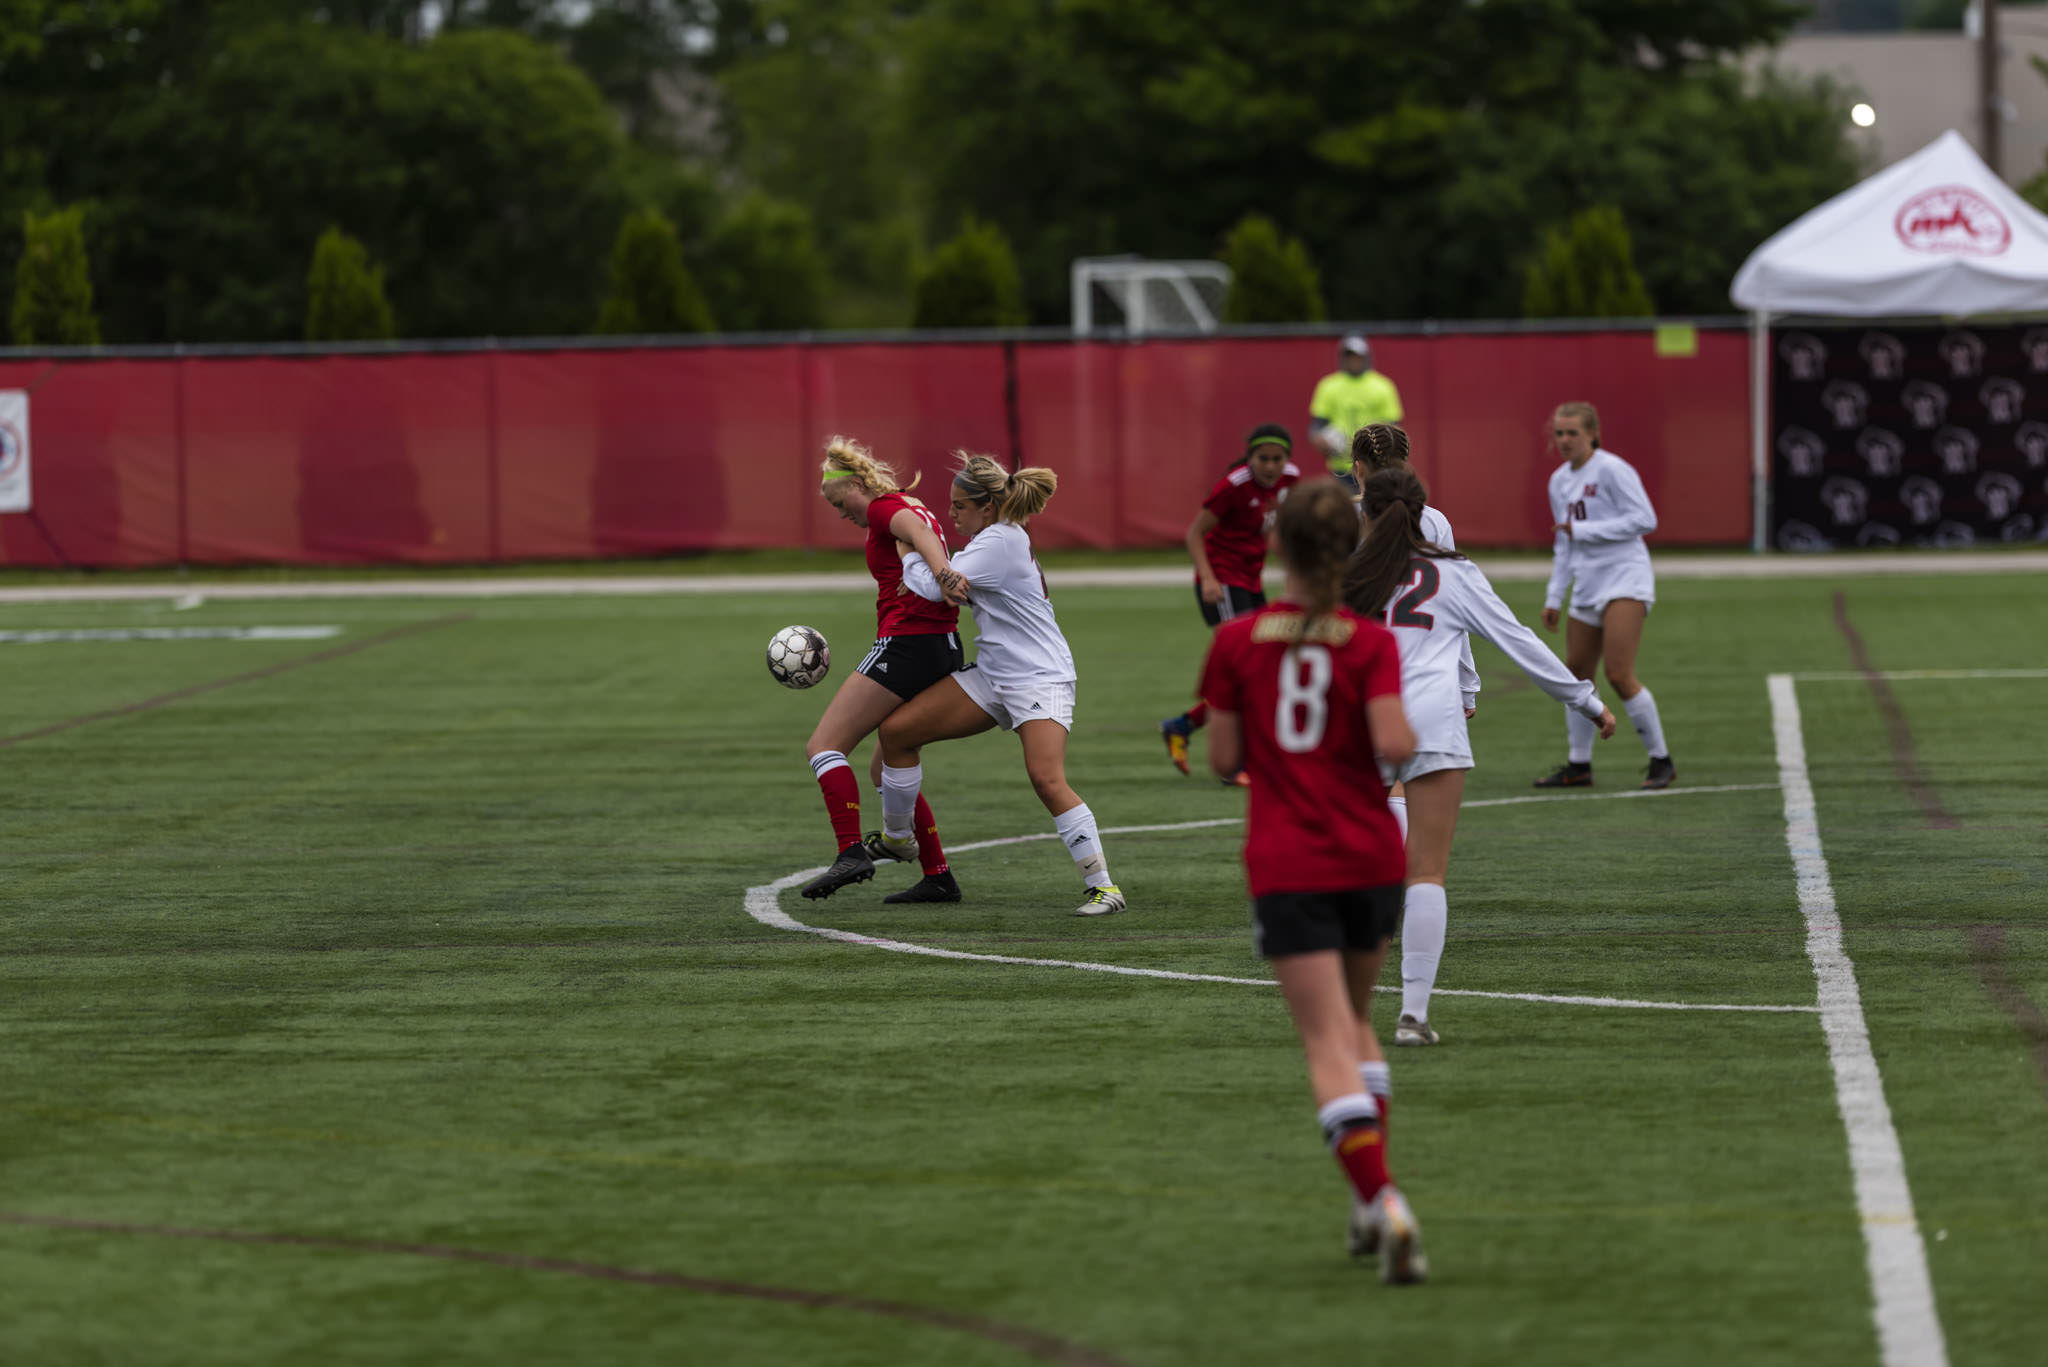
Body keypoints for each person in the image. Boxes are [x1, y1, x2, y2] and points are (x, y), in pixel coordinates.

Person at [1196, 480, 1427, 1284]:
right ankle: (1370, 1206)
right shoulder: (1369, 641)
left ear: (1278, 549)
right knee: (1359, 1023)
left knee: (1326, 1038)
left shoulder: (1236, 642)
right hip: (1369, 854)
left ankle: (1385, 1195)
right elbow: (1397, 744)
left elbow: (1224, 761)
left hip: (1290, 860)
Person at [1344, 466, 1616, 1048]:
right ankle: (1413, 1016)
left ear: (1366, 513)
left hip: (1364, 721)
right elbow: (1518, 641)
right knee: (1427, 872)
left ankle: (1348, 1010)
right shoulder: (1452, 571)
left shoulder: (1350, 575)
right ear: (1423, 514)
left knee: (1359, 871)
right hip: (1434, 723)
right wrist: (1586, 700)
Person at [878, 453, 1127, 917]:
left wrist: (909, 551)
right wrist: (928, 565)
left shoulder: (1000, 541)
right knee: (897, 734)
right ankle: (897, 839)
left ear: (986, 508)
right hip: (995, 675)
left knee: (1047, 779)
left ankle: (1104, 888)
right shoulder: (993, 540)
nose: (951, 515)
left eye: (958, 507)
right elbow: (953, 583)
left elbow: (937, 587)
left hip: (1037, 675)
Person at [799, 437, 972, 904]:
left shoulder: (883, 508)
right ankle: (938, 875)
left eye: (841, 502)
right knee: (889, 762)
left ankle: (851, 851)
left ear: (858, 484)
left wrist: (943, 574)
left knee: (824, 745)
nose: (843, 514)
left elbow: (915, 530)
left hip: (908, 644)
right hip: (942, 645)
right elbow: (919, 527)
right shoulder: (908, 502)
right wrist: (943, 572)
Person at [1533, 402, 1675, 791]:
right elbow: (1564, 544)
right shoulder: (1559, 481)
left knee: (1617, 673)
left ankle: (1661, 760)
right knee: (1575, 677)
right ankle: (1579, 765)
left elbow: (1645, 520)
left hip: (1626, 577)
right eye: (1559, 433)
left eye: (1572, 433)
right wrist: (1553, 596)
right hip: (1587, 584)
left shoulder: (1612, 469)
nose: (1564, 440)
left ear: (1592, 434)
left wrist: (1585, 531)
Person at [1158, 422, 1302, 779]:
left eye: (1276, 459)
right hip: (1222, 583)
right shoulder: (1234, 486)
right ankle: (1236, 763)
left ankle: (1183, 726)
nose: (1270, 466)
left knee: (1261, 667)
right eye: (1262, 458)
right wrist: (1207, 578)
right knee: (1247, 668)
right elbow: (1195, 533)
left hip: (1250, 582)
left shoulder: (1291, 480)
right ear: (1250, 457)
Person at [1309, 335, 1403, 495]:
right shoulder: (1328, 386)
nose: (1354, 360)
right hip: (1341, 468)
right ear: (1342, 358)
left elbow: (1394, 427)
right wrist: (1320, 440)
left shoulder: (1383, 386)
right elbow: (1317, 427)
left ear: (1366, 357)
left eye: (1358, 356)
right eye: (1350, 356)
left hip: (1375, 466)